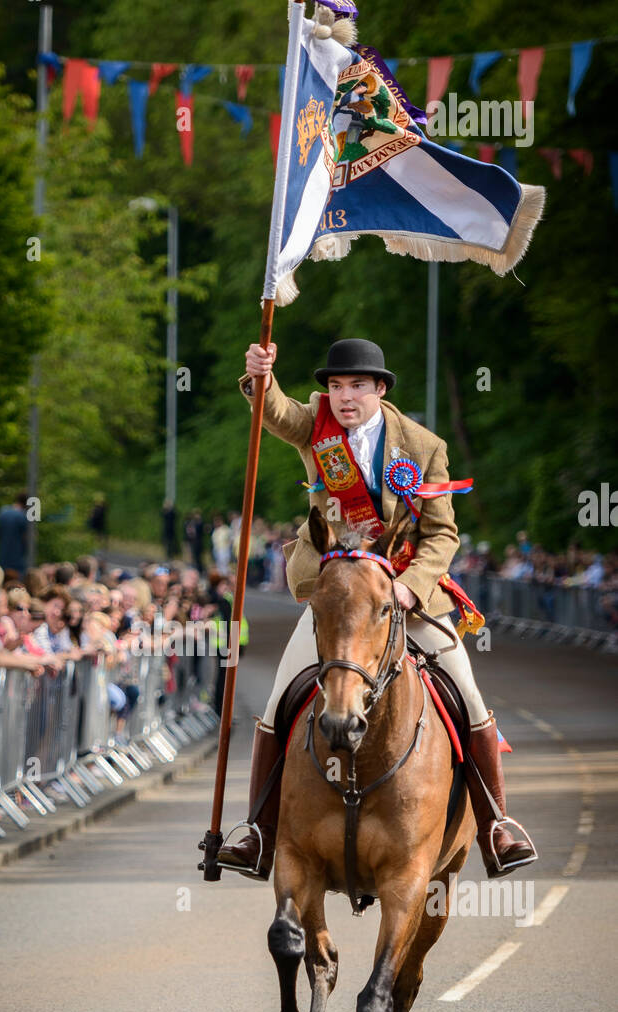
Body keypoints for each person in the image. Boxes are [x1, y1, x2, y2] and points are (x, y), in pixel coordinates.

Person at [217, 337, 536, 882]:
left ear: (380, 389)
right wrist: (260, 378)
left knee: (470, 696)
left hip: (407, 599)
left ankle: (496, 825)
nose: (344, 397)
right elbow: (276, 413)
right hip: (338, 599)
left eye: (356, 385)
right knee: (276, 702)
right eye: (336, 386)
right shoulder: (317, 425)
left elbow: (442, 533)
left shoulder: (423, 445)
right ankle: (258, 832)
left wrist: (411, 586)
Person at [0, 493, 30, 577]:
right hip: (18, 560)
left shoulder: (3, 511)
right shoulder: (23, 516)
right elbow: (27, 537)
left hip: (3, 556)